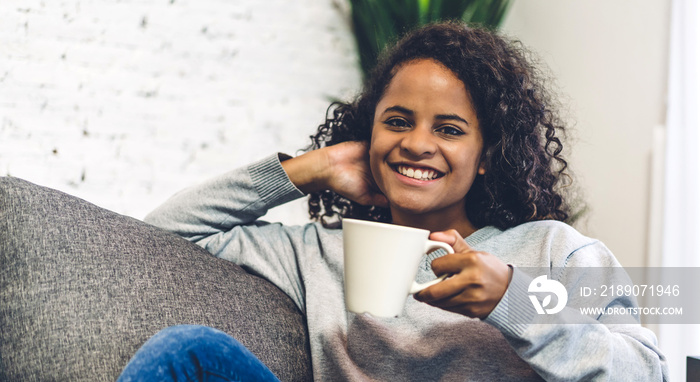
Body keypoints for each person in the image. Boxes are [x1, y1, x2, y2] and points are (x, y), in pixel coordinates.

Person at [118, 22, 668, 381]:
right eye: (398, 122)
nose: (417, 143)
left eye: (449, 129)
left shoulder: (552, 252)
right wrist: (307, 169)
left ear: (485, 155)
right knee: (188, 353)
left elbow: (649, 372)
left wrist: (512, 300)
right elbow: (164, 235)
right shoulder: (319, 254)